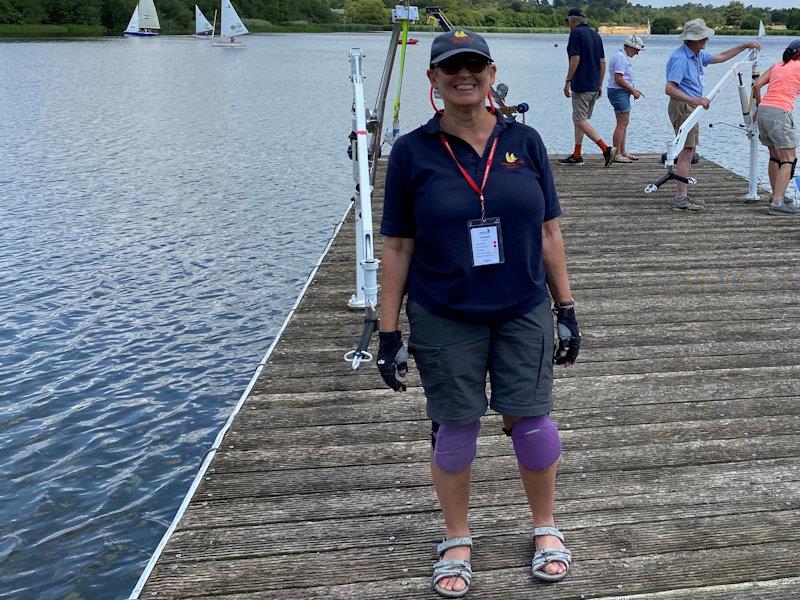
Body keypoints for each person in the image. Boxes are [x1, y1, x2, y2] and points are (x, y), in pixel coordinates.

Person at [377, 29, 581, 598]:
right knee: (456, 433)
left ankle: (545, 529)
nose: (463, 76)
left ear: (491, 74)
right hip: (445, 312)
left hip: (522, 308)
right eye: (451, 68)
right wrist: (388, 332)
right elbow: (396, 246)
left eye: (475, 66)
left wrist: (566, 308)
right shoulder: (413, 153)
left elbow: (548, 231)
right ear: (434, 80)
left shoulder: (527, 141)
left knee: (533, 424)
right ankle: (457, 537)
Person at [665, 18, 761, 212]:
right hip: (683, 106)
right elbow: (669, 89)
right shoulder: (680, 58)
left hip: (691, 105)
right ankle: (680, 198)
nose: (706, 40)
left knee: (689, 151)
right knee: (687, 152)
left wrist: (743, 46)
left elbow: (720, 57)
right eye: (703, 38)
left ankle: (682, 193)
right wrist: (695, 101)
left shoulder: (696, 54)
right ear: (692, 40)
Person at [559, 7, 616, 167]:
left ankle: (606, 150)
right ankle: (577, 155)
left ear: (573, 20)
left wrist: (568, 81)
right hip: (593, 85)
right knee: (579, 119)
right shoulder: (595, 35)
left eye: (568, 21)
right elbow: (602, 62)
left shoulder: (576, 34)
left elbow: (575, 58)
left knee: (579, 120)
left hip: (581, 84)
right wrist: (599, 85)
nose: (568, 24)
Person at [752, 38, 800, 215]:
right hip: (780, 113)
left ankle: (775, 194)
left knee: (775, 156)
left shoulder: (777, 66)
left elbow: (756, 85)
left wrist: (760, 104)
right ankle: (778, 203)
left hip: (764, 111)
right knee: (789, 158)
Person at [607, 35, 645, 163]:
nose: (637, 53)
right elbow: (618, 79)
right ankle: (616, 154)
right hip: (618, 92)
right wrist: (632, 90)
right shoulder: (620, 58)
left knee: (624, 124)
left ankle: (622, 151)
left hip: (621, 92)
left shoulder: (622, 57)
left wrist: (633, 89)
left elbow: (623, 79)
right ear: (628, 47)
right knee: (621, 124)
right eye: (636, 50)